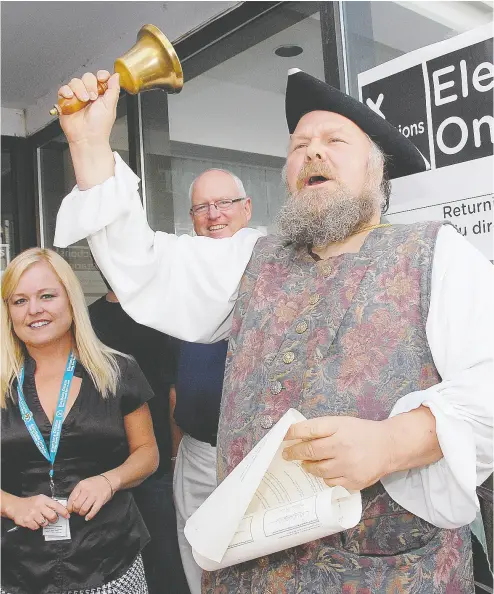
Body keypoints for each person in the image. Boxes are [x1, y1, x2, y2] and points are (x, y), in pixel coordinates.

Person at [53, 69, 493, 593]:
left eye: (334, 141)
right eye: (299, 145)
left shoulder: (436, 254)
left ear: (378, 170)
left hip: (391, 572)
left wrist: (392, 442)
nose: (312, 152)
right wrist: (90, 145)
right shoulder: (252, 258)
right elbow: (147, 266)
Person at [1, 248, 159, 594]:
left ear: (71, 300)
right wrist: (11, 504)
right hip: (19, 570)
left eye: (47, 296)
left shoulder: (118, 371)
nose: (34, 310)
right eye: (19, 301)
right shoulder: (2, 384)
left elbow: (147, 453)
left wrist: (110, 480)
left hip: (110, 563)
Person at [170, 168, 252, 594]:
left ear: (247, 209)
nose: (213, 214)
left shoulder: (273, 267)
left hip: (259, 454)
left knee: (261, 559)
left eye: (223, 204)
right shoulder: (183, 275)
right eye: (202, 207)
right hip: (199, 452)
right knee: (198, 556)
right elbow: (173, 379)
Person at [88, 270, 189, 594]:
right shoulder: (159, 315)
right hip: (128, 462)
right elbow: (172, 392)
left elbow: (174, 394)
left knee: (151, 554)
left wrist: (174, 455)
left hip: (139, 459)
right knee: (162, 554)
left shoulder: (91, 319)